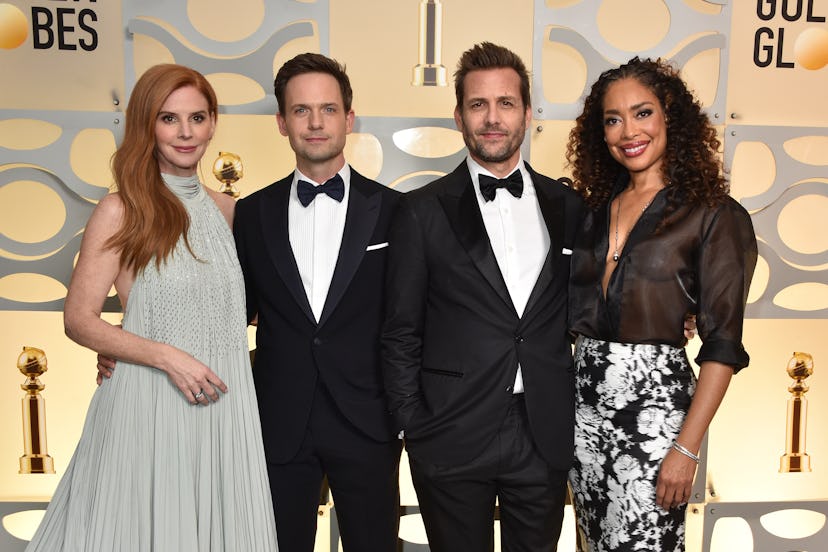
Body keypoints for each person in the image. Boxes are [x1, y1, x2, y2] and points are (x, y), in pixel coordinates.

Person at [27, 64, 277, 550]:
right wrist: (164, 355)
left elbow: (242, 309)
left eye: (197, 118)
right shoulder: (121, 209)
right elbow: (78, 318)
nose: (186, 133)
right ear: (147, 125)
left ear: (212, 123)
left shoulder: (231, 212)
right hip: (150, 404)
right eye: (169, 119)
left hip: (225, 409)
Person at [382, 42, 584, 551]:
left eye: (506, 103)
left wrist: (678, 313)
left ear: (528, 114)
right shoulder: (420, 211)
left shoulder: (570, 206)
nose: (492, 118)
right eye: (478, 105)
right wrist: (415, 426)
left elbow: (594, 299)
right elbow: (400, 330)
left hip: (542, 430)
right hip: (449, 431)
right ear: (458, 116)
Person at [565, 57, 757, 551]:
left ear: (671, 117)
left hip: (656, 426)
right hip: (582, 423)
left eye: (642, 113)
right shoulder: (591, 210)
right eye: (613, 119)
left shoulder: (714, 214)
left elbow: (722, 345)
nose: (628, 131)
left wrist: (685, 449)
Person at [232, 53, 403, 551]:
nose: (315, 122)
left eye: (327, 109)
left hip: (368, 418)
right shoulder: (251, 213)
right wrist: (138, 349)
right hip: (279, 419)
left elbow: (411, 318)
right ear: (282, 122)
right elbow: (232, 314)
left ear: (349, 119)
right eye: (301, 110)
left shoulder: (395, 211)